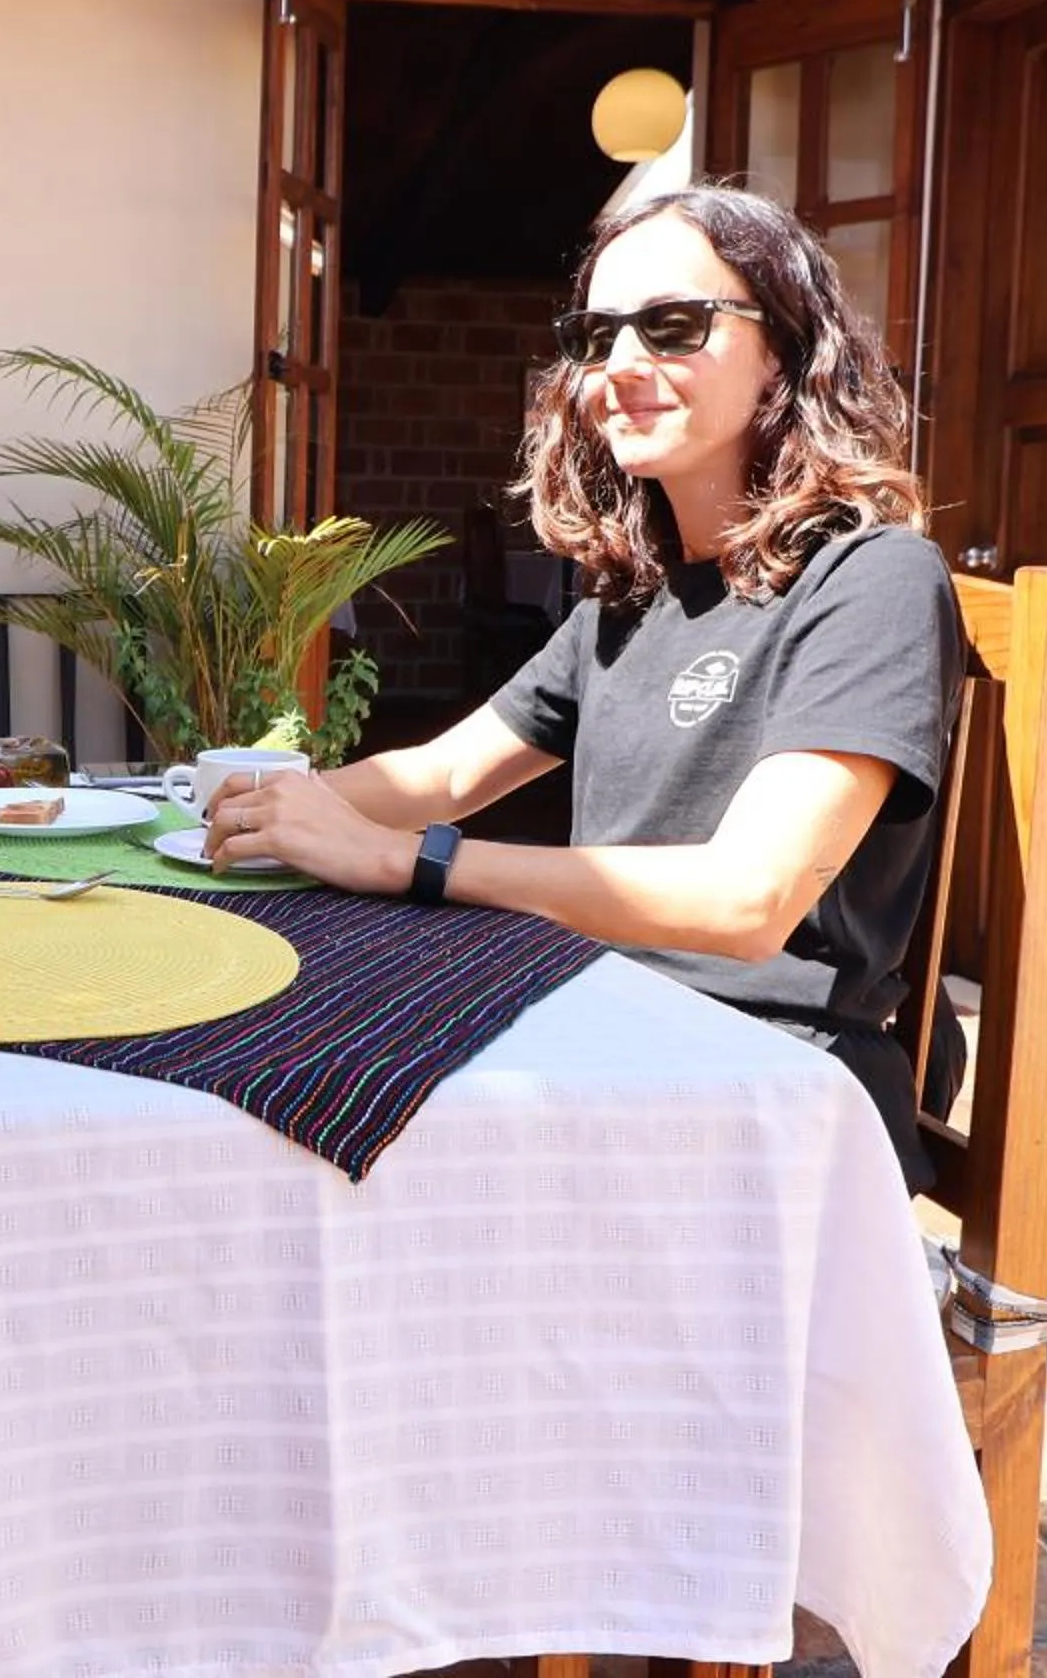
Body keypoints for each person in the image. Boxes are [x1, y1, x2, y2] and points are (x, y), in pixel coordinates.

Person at [203, 183, 961, 1182]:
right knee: (280, 1082)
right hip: (606, 1025)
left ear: (782, 344)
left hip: (763, 1091)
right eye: (597, 335)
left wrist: (410, 862)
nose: (620, 367)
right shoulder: (635, 600)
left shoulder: (870, 578)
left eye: (673, 325)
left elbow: (750, 897)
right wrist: (231, 813)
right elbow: (441, 775)